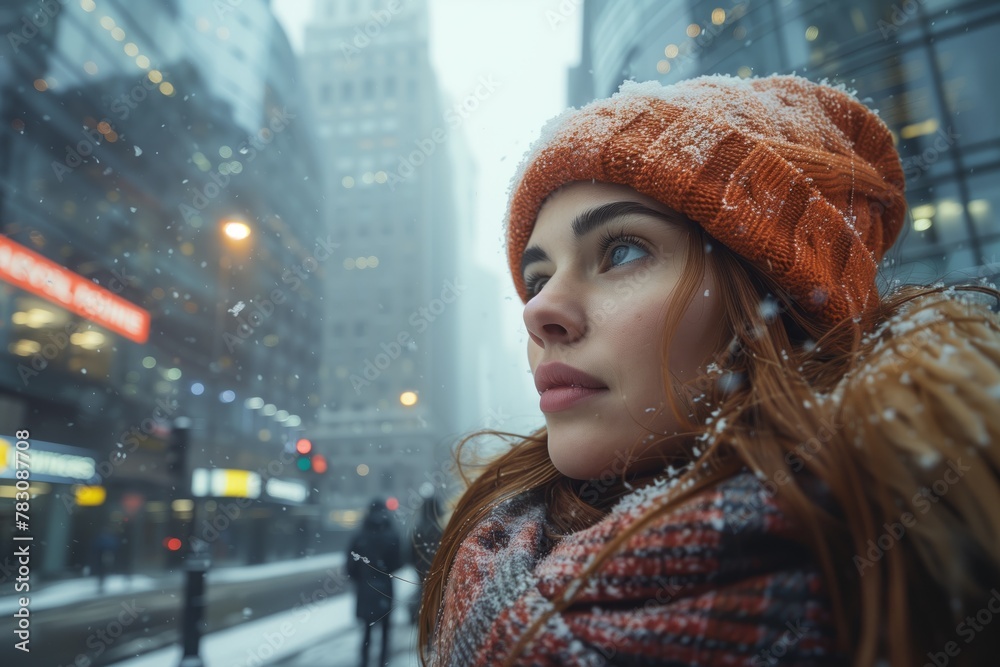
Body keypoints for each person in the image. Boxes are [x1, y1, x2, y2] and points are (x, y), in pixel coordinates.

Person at [416, 74, 1000, 666]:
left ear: (772, 304)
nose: (538, 311)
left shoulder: (923, 575)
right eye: (538, 278)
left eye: (622, 252)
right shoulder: (492, 557)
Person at [346, 498, 403, 667]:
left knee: (366, 630)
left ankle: (364, 661)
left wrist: (361, 578)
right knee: (385, 630)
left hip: (366, 589)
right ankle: (383, 662)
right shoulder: (391, 535)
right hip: (385, 588)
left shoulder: (360, 536)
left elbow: (350, 566)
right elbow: (398, 563)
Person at [408, 494, 444, 624]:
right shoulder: (441, 529)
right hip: (438, 572)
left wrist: (418, 566)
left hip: (421, 570)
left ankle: (422, 621)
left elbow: (410, 554)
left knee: (423, 596)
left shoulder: (417, 529)